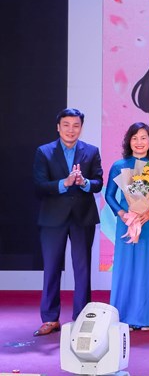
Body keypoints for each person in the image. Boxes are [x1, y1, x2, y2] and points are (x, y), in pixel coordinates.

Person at [32, 108, 103, 337]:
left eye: (75, 125)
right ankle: (50, 318)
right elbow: (39, 186)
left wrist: (84, 182)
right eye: (66, 125)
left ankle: (82, 318)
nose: (71, 130)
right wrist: (64, 183)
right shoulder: (44, 152)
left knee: (82, 269)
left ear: (81, 128)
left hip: (83, 217)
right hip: (53, 219)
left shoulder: (91, 151)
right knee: (52, 268)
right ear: (58, 127)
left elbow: (99, 182)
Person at [106, 123, 149, 330]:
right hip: (127, 223)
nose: (139, 142)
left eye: (143, 137)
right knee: (128, 268)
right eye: (135, 138)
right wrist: (123, 214)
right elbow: (109, 195)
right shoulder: (119, 165)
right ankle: (125, 316)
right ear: (129, 141)